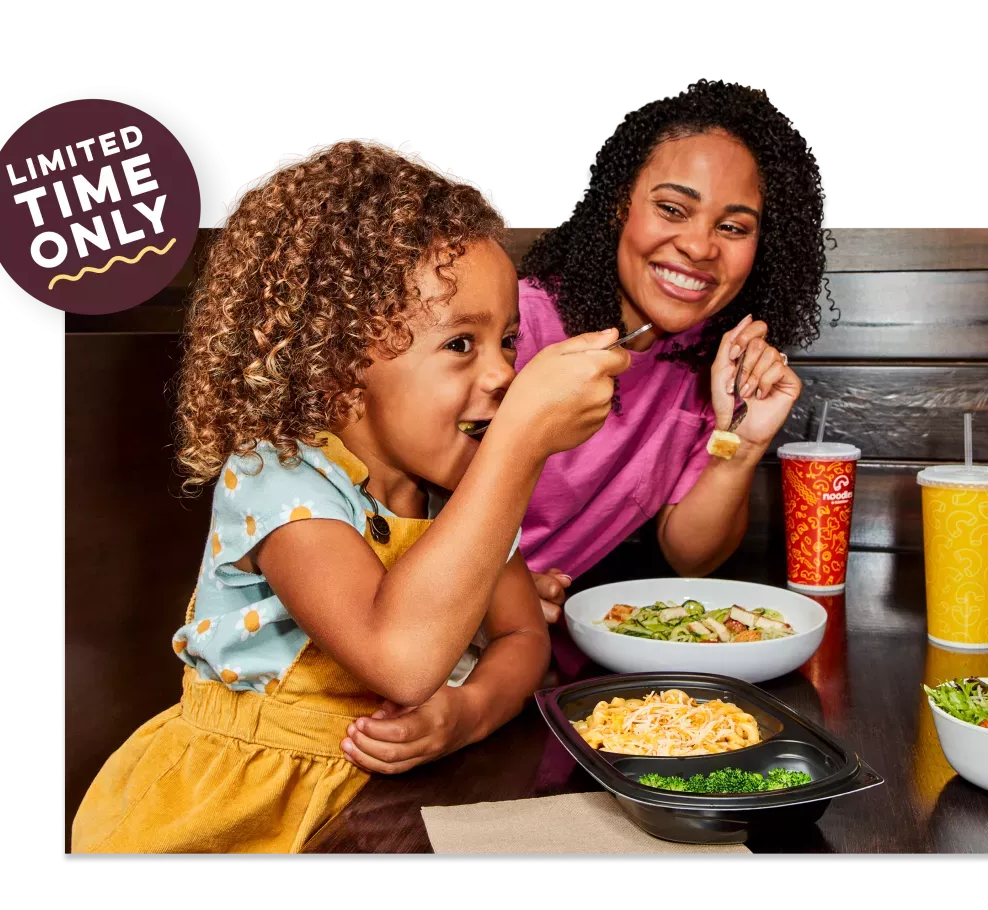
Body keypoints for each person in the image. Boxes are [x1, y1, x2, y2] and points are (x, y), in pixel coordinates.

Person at [71, 138, 630, 853]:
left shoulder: (462, 487)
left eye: (510, 343)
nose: (502, 375)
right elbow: (399, 656)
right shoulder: (280, 478)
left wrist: (468, 712)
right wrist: (520, 446)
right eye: (462, 344)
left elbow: (523, 636)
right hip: (236, 813)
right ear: (336, 362)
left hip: (386, 805)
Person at [518, 80, 827, 621]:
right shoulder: (517, 323)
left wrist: (744, 442)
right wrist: (498, 588)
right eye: (672, 209)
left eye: (732, 227)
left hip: (535, 640)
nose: (700, 246)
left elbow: (690, 556)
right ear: (621, 205)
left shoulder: (712, 360)